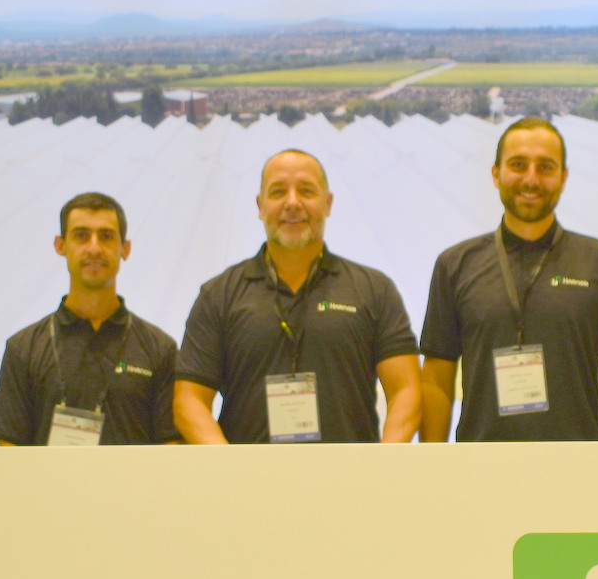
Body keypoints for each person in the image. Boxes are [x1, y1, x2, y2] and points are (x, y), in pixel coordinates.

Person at [419, 117, 598, 442]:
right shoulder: (454, 265)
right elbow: (436, 379)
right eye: (518, 165)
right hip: (482, 463)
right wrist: (432, 462)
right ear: (496, 174)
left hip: (579, 463)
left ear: (563, 178)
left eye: (545, 167)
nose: (531, 179)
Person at [173, 149, 421, 444]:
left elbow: (406, 390)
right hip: (250, 473)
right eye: (278, 192)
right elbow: (189, 400)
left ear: (327, 203)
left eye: (306, 191)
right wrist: (228, 465)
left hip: (349, 472)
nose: (292, 203)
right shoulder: (218, 295)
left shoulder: (374, 289)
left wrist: (383, 462)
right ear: (260, 206)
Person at [0, 192, 179, 446]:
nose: (94, 248)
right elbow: (7, 447)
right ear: (60, 245)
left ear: (125, 249)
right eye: (81, 235)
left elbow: (171, 447)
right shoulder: (23, 348)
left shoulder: (160, 349)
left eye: (106, 236)